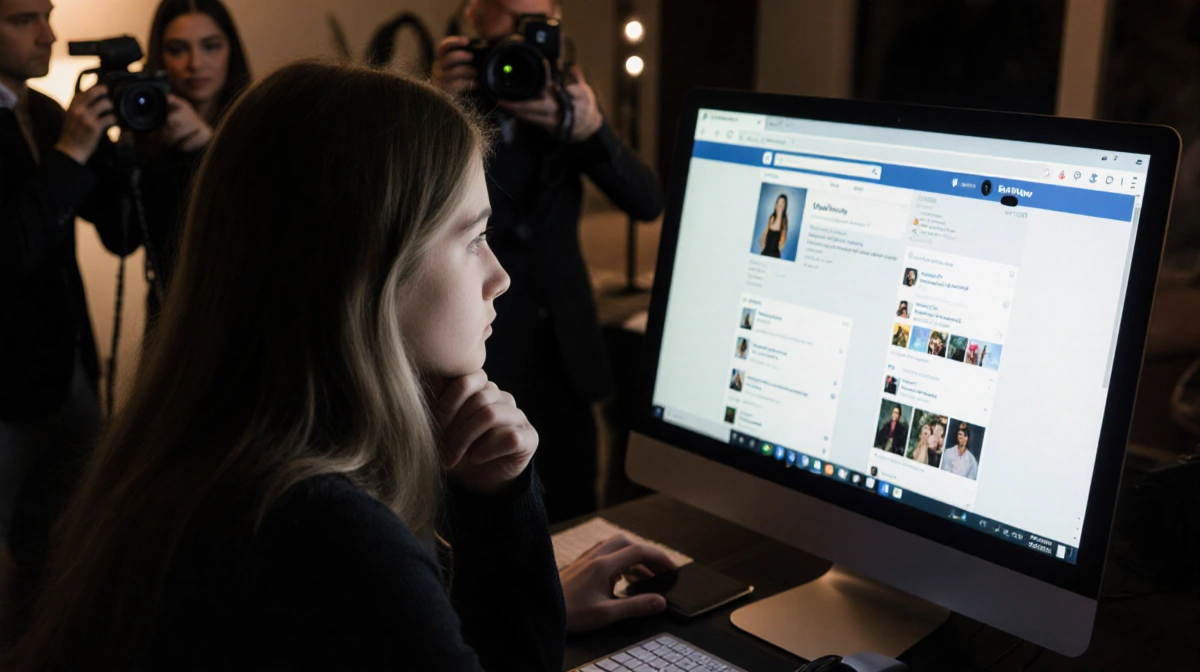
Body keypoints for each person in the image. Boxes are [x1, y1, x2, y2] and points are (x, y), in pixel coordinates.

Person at [5, 62, 675, 669]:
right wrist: (504, 526)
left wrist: (508, 597)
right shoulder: (327, 531)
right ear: (365, 268)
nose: (498, 276)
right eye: (472, 238)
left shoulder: (207, 455)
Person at [432, 0, 663, 523]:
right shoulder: (449, 96)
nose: (518, 34)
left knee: (580, 501)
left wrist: (592, 130)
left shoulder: (563, 94)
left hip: (566, 339)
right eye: (505, 14)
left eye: (533, 21)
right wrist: (436, 111)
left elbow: (647, 202)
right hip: (485, 339)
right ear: (474, 15)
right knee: (493, 506)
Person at [0, 0, 137, 632]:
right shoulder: (56, 127)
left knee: (68, 549)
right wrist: (71, 152)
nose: (48, 34)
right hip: (5, 395)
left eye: (47, 13)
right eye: (24, 17)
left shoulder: (44, 111)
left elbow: (121, 234)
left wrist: (123, 147)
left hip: (68, 371)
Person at [135, 0, 251, 327]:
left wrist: (208, 145)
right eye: (177, 49)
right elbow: (124, 239)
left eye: (211, 46)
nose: (195, 63)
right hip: (169, 319)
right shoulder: (146, 135)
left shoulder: (262, 125)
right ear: (159, 58)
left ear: (231, 50)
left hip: (245, 315)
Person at [758, 193, 788, 258]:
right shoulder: (772, 217)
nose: (780, 205)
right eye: (778, 202)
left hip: (775, 253)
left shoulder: (784, 221)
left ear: (785, 206)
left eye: (782, 203)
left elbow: (783, 238)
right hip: (766, 250)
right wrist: (762, 244)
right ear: (776, 204)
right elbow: (768, 231)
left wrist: (780, 214)